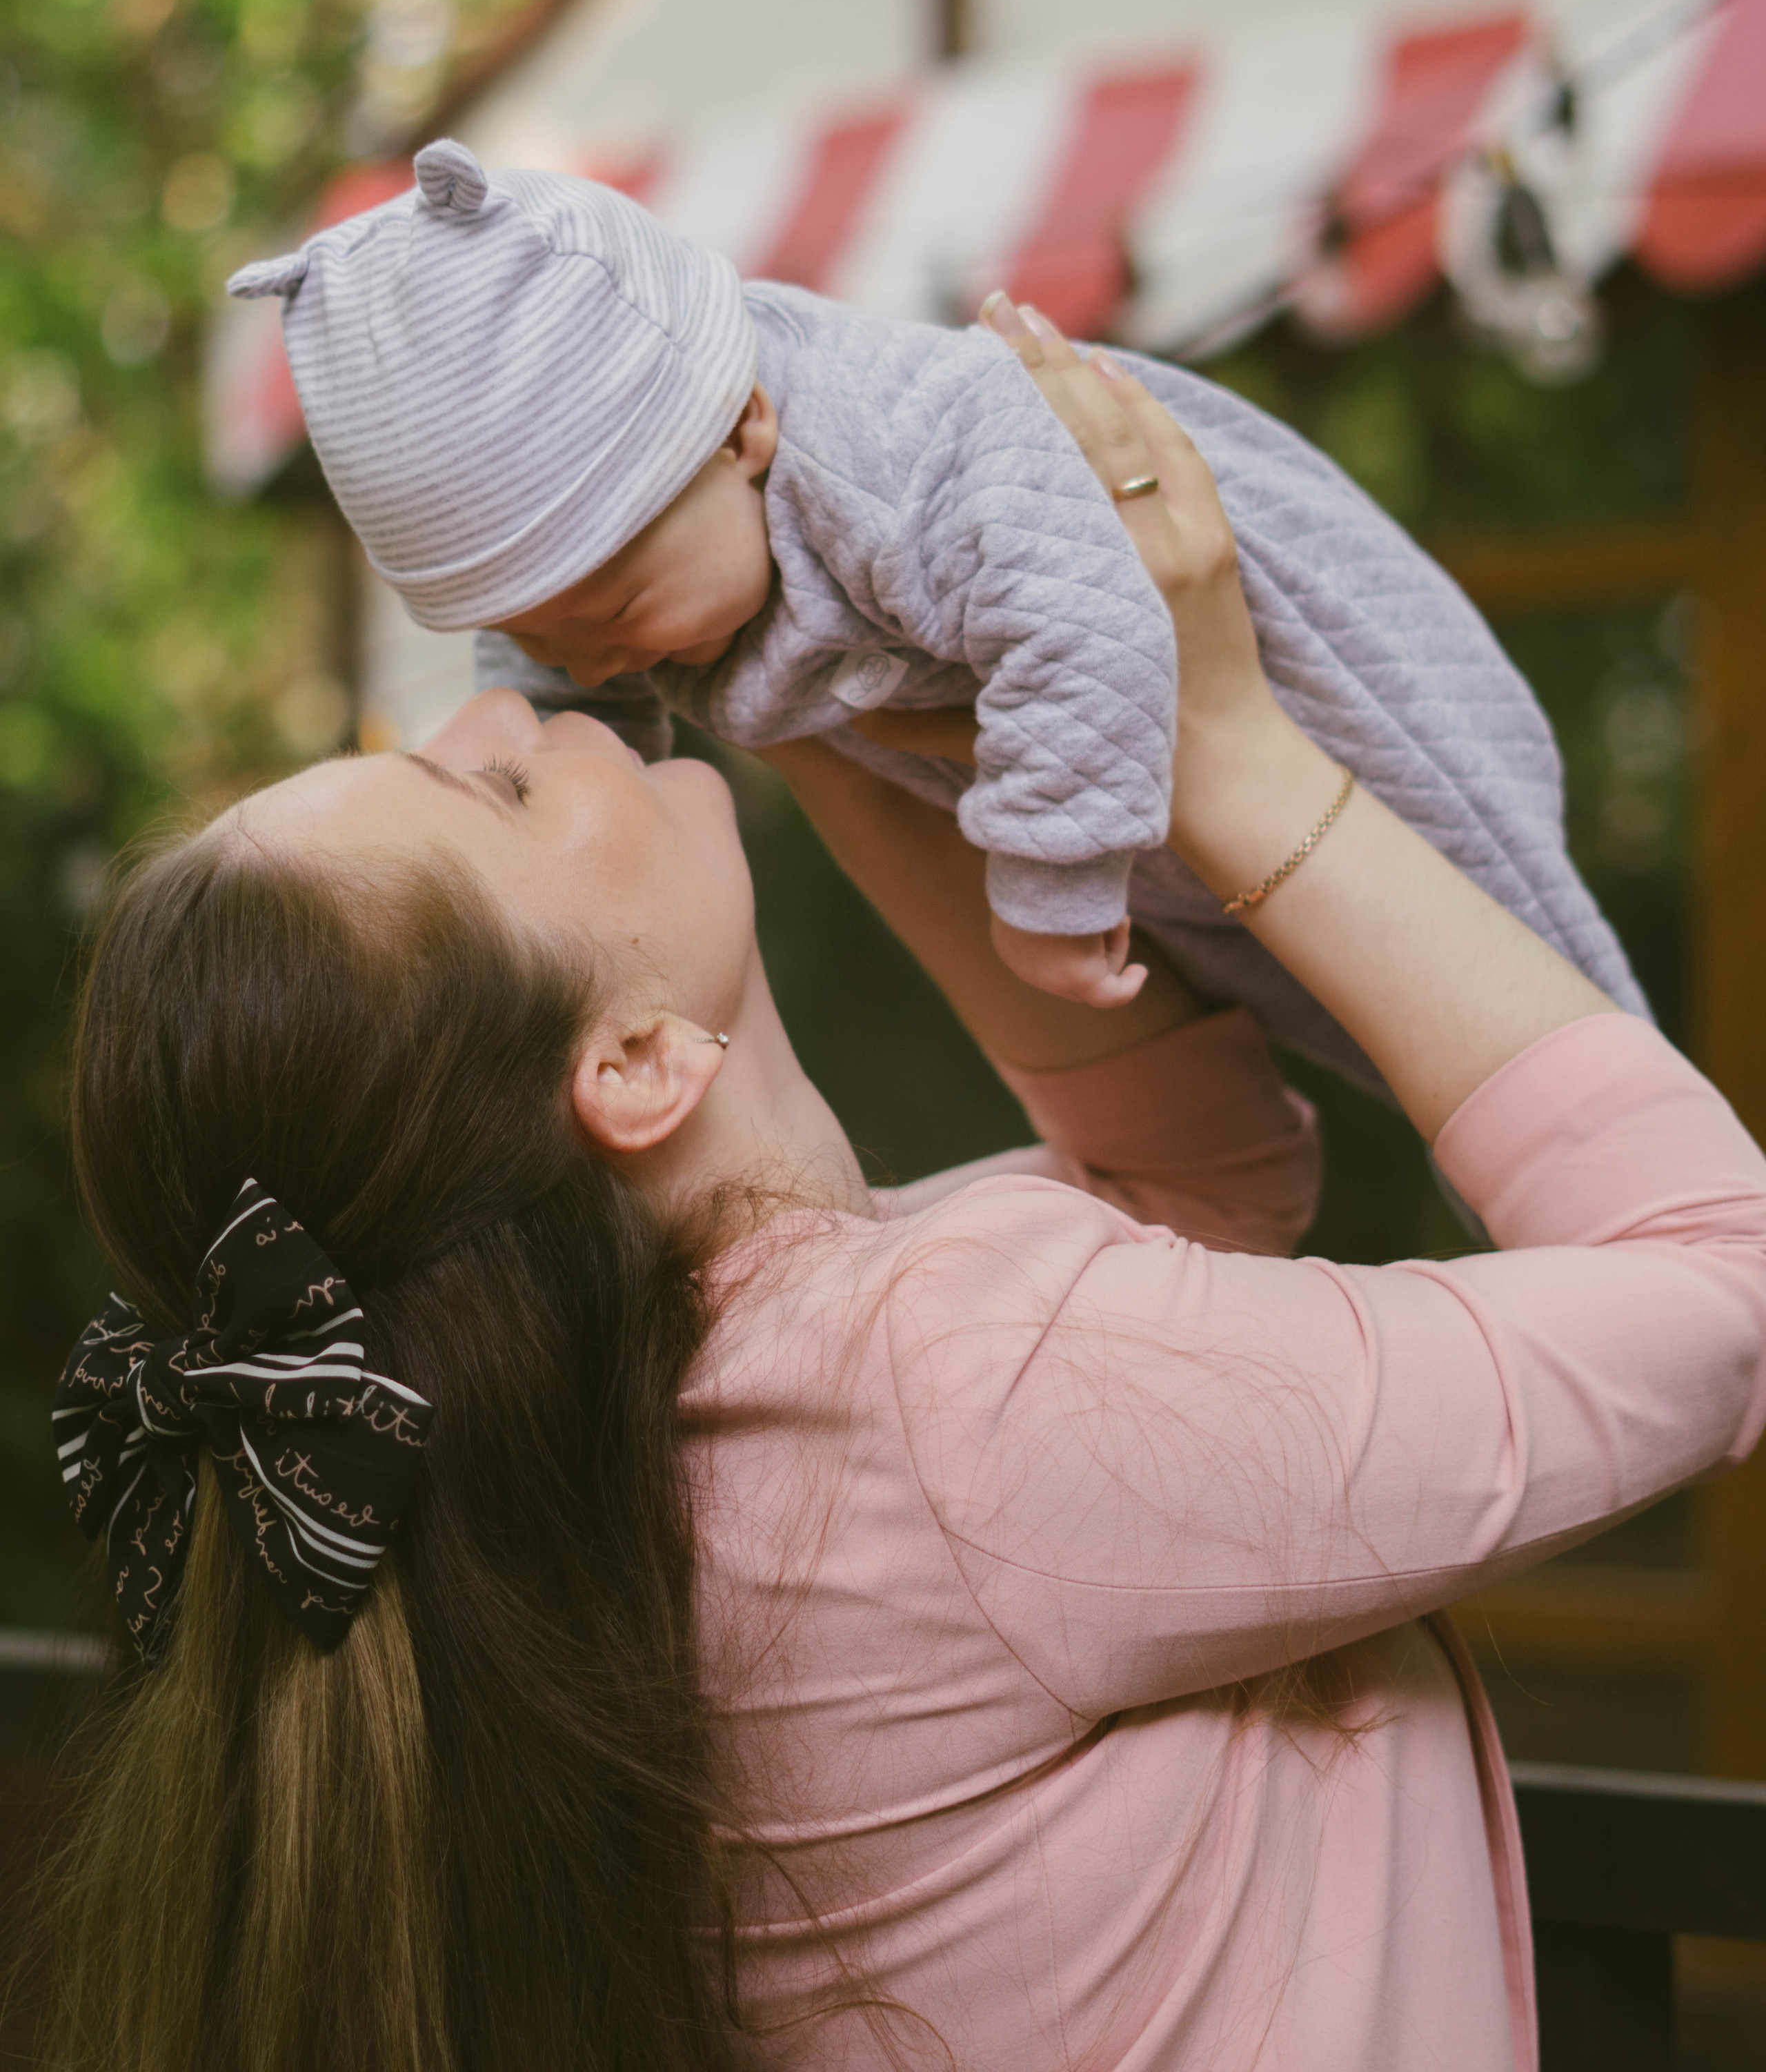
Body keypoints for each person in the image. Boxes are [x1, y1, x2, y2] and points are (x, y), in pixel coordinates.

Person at [42, 325, 1766, 2072]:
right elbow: (1716, 1281)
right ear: (634, 1064)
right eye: (488, 787)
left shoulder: (622, 1423)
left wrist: (821, 696)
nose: (500, 702)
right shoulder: (962, 1388)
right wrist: (1227, 744)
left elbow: (1202, 1190)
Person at [223, 137, 1643, 1081]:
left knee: (1502, 953)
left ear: (746, 430)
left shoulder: (905, 450)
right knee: (1337, 1021)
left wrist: (1041, 882)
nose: (592, 658)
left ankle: (1657, 1209)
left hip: (1313, 673)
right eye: (537, 629)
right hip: (1133, 798)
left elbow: (1088, 620)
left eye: (614, 603)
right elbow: (554, 707)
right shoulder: (603, 566)